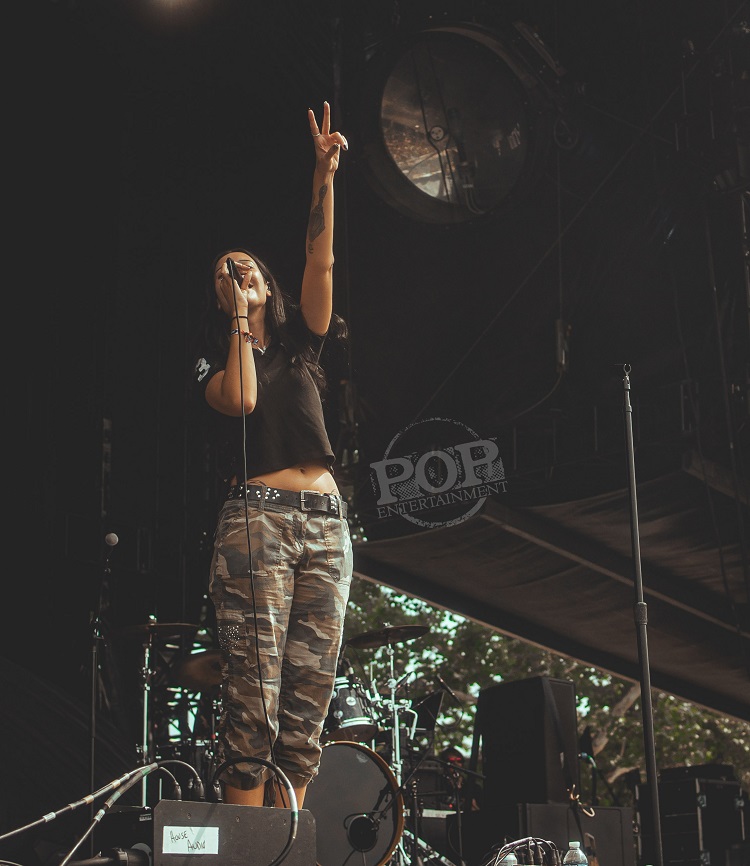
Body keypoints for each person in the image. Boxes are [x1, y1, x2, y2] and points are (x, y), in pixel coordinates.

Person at [190, 102, 352, 809]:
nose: (239, 273)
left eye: (248, 268)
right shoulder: (211, 360)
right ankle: (245, 850)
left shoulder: (302, 342)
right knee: (253, 698)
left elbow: (321, 257)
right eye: (226, 274)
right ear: (219, 296)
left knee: (307, 707)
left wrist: (323, 175)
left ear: (267, 282)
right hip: (257, 521)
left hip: (327, 525)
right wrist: (236, 318)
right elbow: (244, 400)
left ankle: (290, 845)